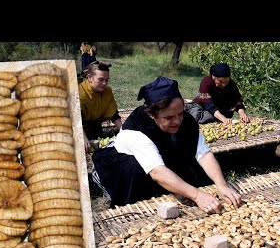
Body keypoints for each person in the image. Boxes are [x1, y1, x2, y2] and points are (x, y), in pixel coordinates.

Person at [92, 76, 242, 213]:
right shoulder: (136, 130)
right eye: (169, 117)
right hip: (120, 164)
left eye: (180, 113)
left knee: (192, 167)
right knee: (136, 171)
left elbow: (203, 154)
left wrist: (221, 185)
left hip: (161, 156)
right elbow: (157, 172)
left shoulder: (187, 122)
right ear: (152, 114)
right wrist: (197, 195)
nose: (177, 121)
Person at [185, 62, 250, 124]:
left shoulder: (231, 84)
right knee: (198, 115)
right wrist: (223, 119)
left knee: (223, 114)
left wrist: (242, 113)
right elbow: (208, 104)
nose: (224, 84)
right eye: (220, 81)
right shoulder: (206, 82)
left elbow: (237, 100)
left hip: (219, 109)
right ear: (214, 77)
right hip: (203, 107)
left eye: (226, 82)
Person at [78, 61, 122, 153]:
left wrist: (123, 131)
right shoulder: (80, 93)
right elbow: (77, 120)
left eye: (107, 80)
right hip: (80, 129)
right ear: (90, 77)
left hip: (96, 126)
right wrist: (83, 138)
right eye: (101, 80)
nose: (104, 83)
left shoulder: (107, 91)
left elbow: (114, 115)